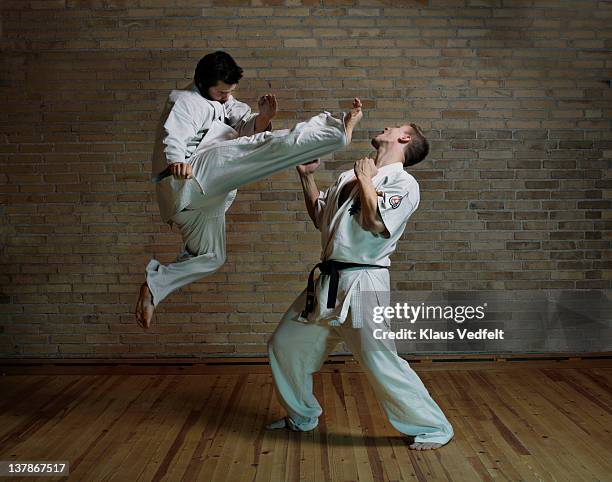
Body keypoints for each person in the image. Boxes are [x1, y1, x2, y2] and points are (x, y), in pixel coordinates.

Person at [135, 50, 364, 329]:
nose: (225, 97)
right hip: (192, 175)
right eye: (221, 92)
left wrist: (263, 119)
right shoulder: (184, 102)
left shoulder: (224, 101)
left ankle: (154, 286)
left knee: (211, 257)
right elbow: (174, 137)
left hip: (197, 203)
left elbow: (242, 128)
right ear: (201, 83)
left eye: (229, 92)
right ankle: (335, 131)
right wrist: (177, 162)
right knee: (265, 146)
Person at [266, 123, 454, 450]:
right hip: (327, 280)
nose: (387, 126)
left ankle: (434, 427)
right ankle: (302, 415)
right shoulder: (348, 176)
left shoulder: (403, 182)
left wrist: (367, 180)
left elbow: (376, 223)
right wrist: (307, 177)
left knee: (380, 359)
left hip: (363, 282)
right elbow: (319, 216)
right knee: (285, 345)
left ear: (405, 139)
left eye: (396, 127)